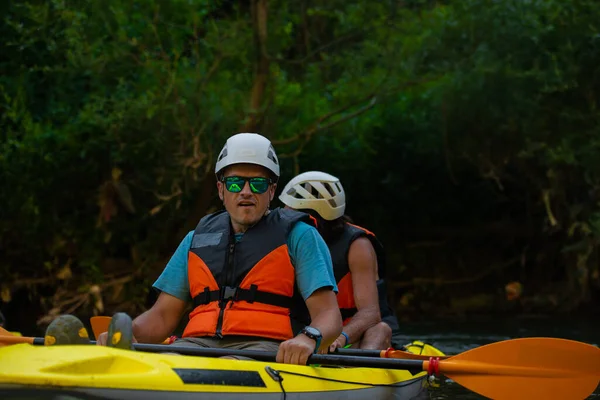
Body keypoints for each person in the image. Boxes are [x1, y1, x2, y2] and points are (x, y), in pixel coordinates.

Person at [97, 133, 343, 365]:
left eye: (257, 184)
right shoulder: (195, 239)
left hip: (267, 349)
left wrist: (308, 337)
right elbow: (162, 315)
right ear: (220, 189)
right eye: (235, 183)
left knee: (225, 366)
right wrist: (130, 334)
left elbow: (329, 315)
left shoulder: (299, 236)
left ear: (271, 191)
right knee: (168, 361)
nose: (246, 191)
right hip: (195, 345)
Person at [279, 171, 402, 351]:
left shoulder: (358, 245)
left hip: (354, 336)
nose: (284, 215)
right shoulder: (291, 241)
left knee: (380, 329)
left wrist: (340, 338)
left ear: (313, 214)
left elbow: (370, 313)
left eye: (290, 210)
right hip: (314, 334)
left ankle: (363, 373)